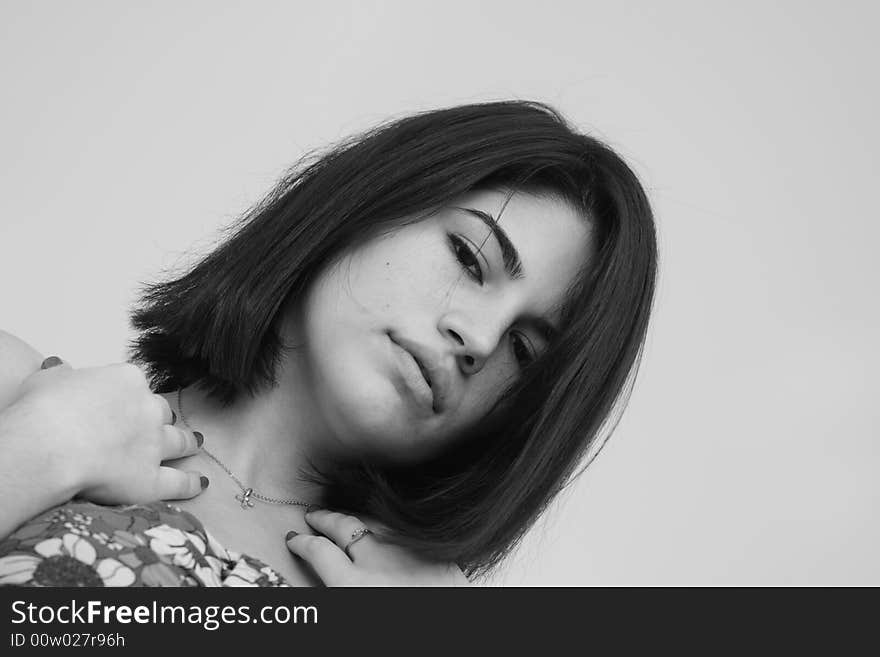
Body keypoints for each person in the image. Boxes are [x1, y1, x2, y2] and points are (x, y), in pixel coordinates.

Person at [0, 100, 657, 586]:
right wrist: (39, 449)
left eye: (524, 352)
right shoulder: (21, 392)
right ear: (361, 208)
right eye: (468, 254)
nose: (478, 338)